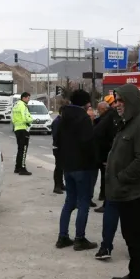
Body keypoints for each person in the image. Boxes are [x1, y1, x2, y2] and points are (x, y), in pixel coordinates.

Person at [105, 84, 140, 279]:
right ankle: (134, 274)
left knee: (137, 239)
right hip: (126, 192)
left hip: (136, 192)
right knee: (130, 236)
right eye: (116, 101)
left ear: (131, 101)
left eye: (120, 101)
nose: (117, 105)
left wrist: (121, 177)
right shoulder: (129, 122)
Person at [55, 89, 99, 251]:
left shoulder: (62, 117)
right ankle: (80, 239)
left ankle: (63, 237)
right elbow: (88, 144)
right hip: (83, 167)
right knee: (84, 202)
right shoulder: (84, 119)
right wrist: (95, 162)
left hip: (68, 166)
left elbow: (57, 141)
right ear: (85, 103)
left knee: (69, 202)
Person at [93, 97, 117, 211]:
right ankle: (103, 195)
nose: (98, 112)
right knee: (104, 176)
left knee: (105, 176)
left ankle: (105, 199)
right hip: (105, 151)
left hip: (105, 152)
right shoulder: (110, 116)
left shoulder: (107, 118)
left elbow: (99, 133)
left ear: (103, 109)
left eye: (99, 110)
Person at [11, 92, 33, 176]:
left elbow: (12, 117)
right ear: (24, 98)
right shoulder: (23, 106)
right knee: (23, 150)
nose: (28, 100)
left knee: (20, 149)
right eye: (28, 98)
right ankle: (22, 168)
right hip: (23, 129)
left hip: (17, 129)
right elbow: (25, 117)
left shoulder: (16, 105)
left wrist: (16, 124)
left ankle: (17, 167)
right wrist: (31, 120)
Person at [51, 103, 67, 194]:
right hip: (58, 147)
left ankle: (61, 184)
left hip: (61, 147)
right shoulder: (57, 121)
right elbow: (56, 135)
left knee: (61, 167)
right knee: (58, 167)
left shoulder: (61, 120)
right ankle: (57, 186)